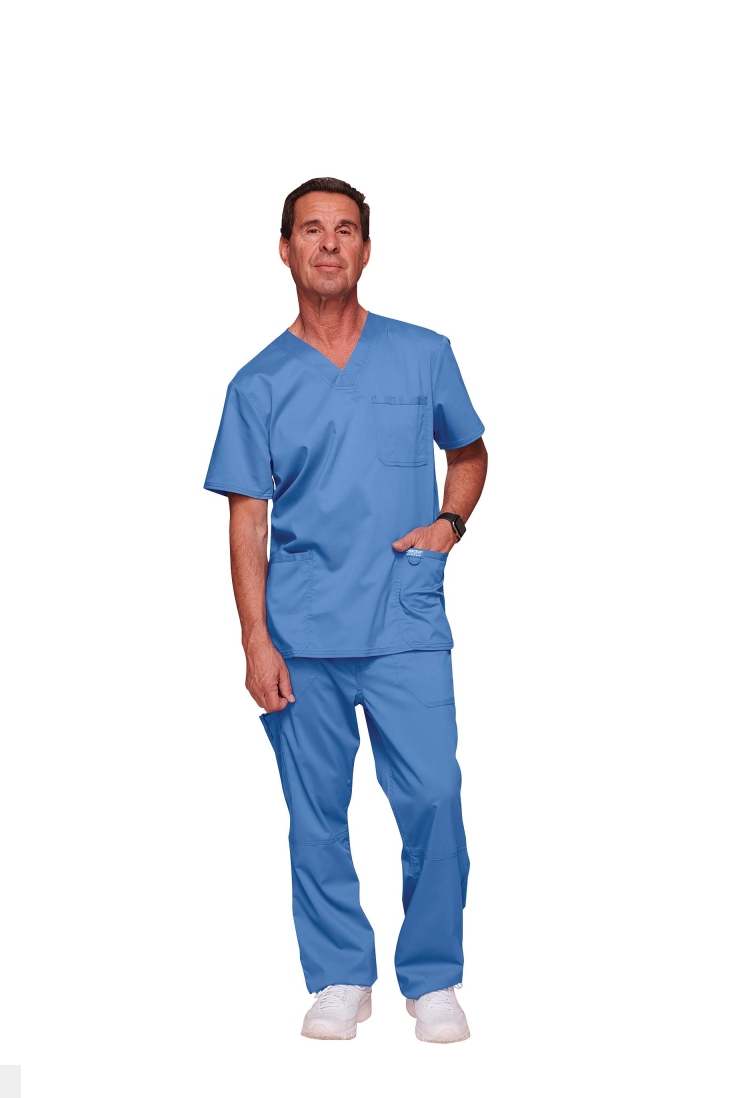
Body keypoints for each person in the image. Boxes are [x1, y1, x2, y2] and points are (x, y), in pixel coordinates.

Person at [203, 177, 488, 1043]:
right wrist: (255, 640)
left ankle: (432, 979)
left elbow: (470, 452)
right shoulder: (258, 384)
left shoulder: (423, 354)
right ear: (284, 248)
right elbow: (247, 517)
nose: (329, 243)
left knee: (434, 797)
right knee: (316, 814)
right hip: (302, 628)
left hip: (404, 618)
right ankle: (339, 975)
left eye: (345, 229)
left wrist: (448, 525)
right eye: (311, 229)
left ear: (366, 248)